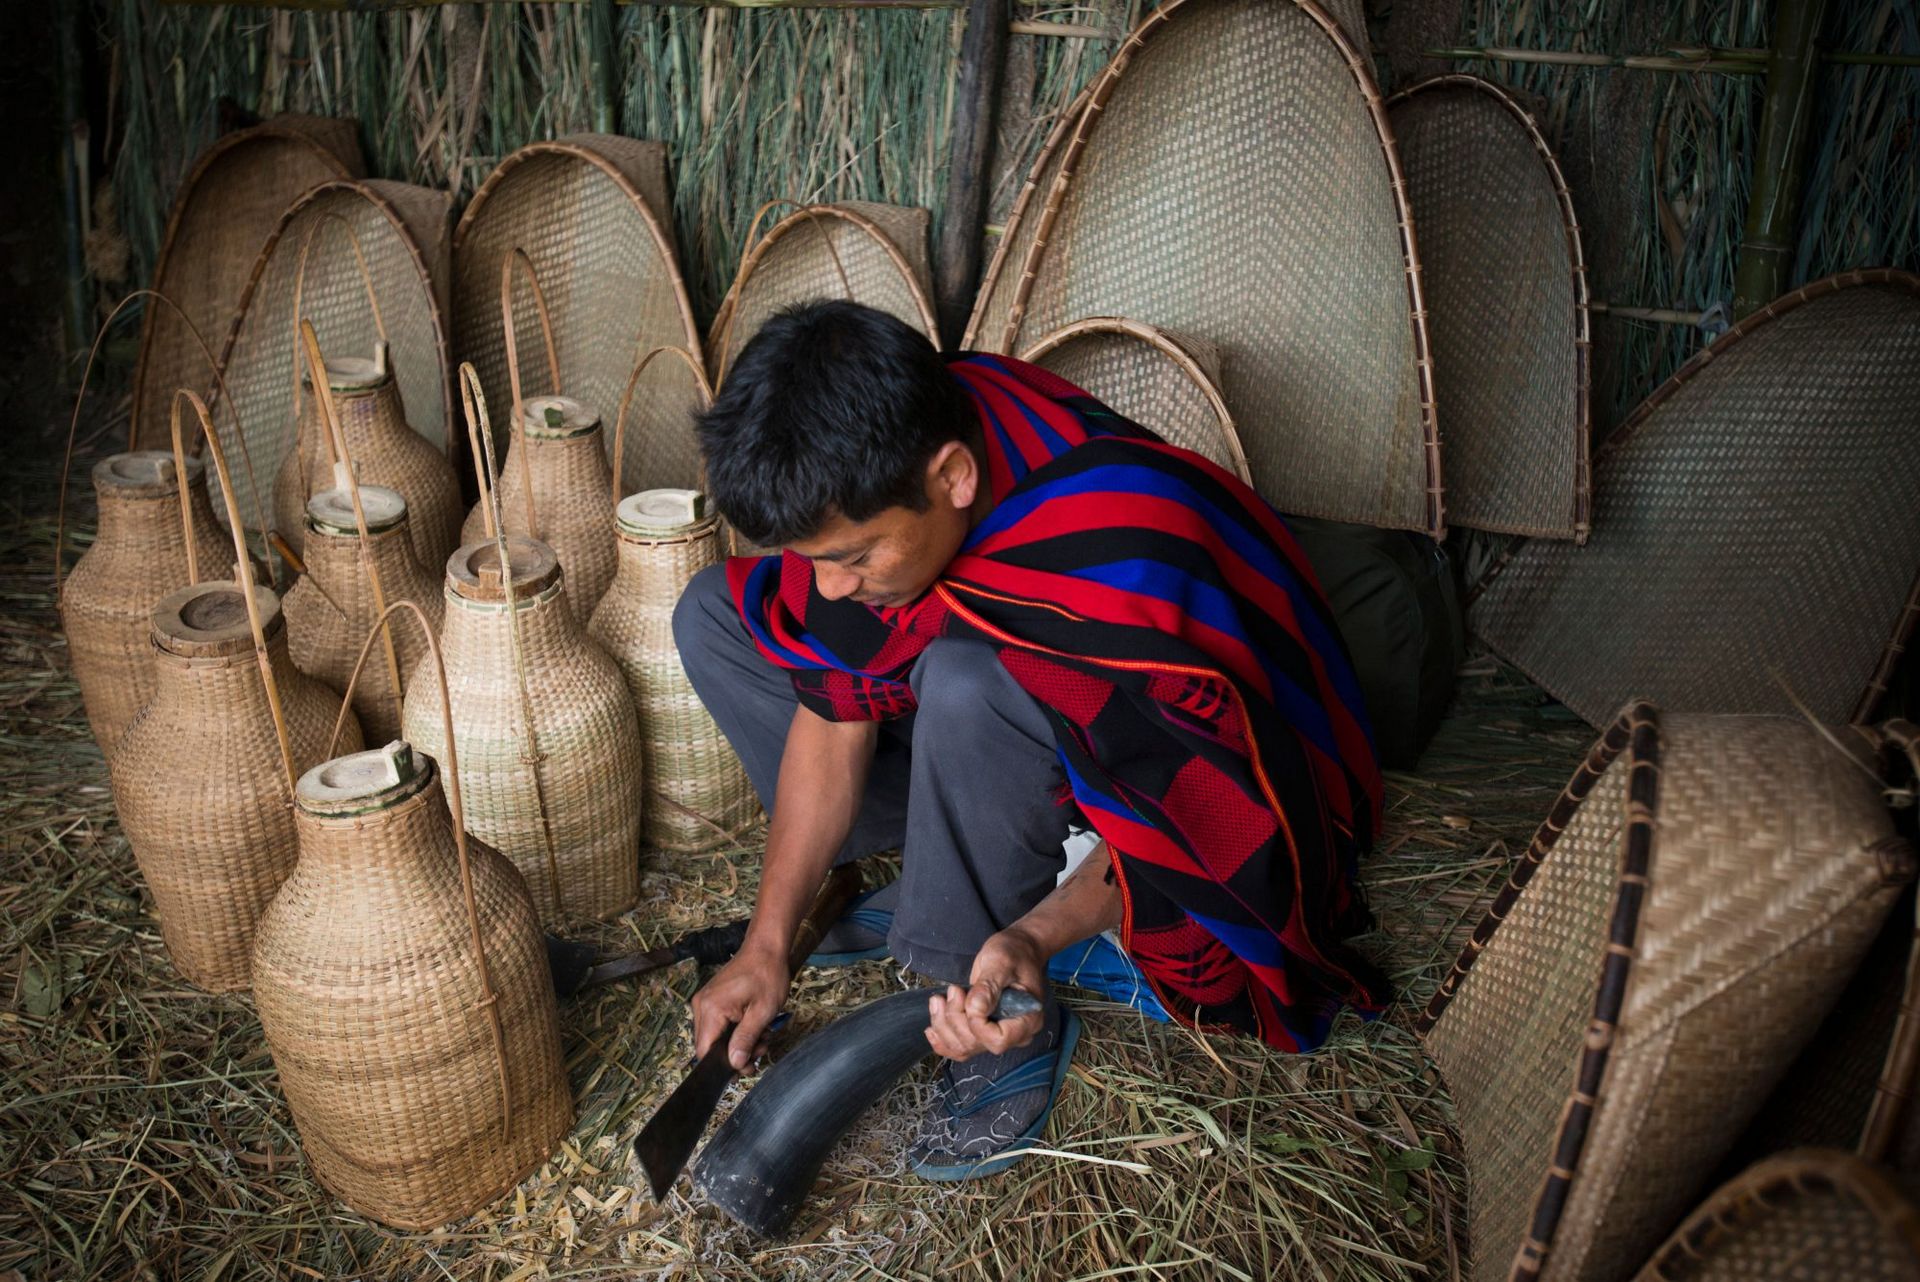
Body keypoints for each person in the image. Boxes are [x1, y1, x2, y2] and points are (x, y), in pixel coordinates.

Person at [676, 300, 1385, 1180]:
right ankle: (947, 863)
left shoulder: (1112, 547)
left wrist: (1034, 940)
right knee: (712, 609)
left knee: (971, 677)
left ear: (955, 476)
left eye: (855, 556)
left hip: (1150, 786)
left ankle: (986, 1007)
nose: (829, 584)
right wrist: (766, 945)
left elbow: (1199, 805)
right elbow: (834, 711)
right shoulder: (886, 464)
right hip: (1012, 751)